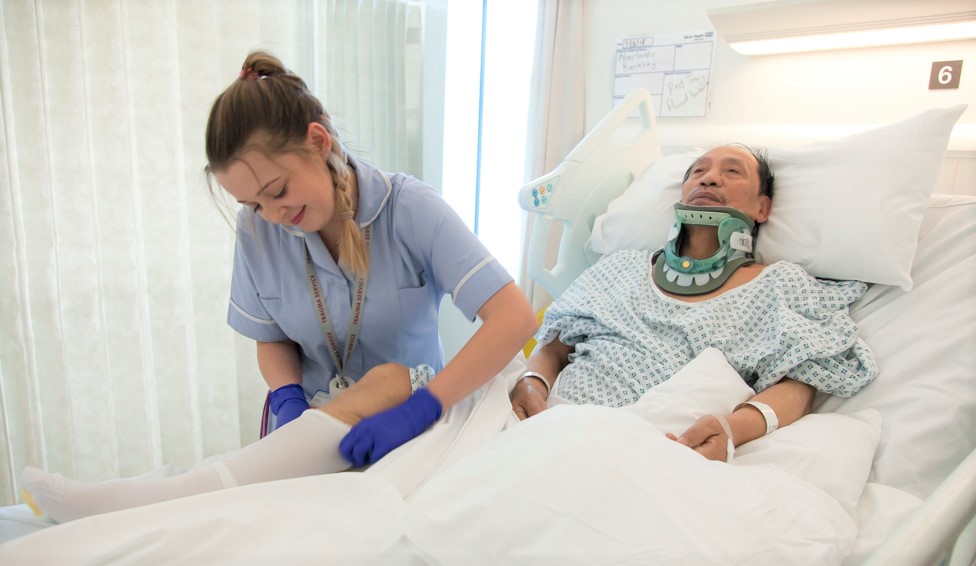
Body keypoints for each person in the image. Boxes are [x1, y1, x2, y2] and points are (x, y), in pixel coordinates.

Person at [20, 51, 536, 523]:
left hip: (402, 418)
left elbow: (514, 317)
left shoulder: (410, 210)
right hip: (305, 429)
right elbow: (271, 338)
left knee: (390, 378)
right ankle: (155, 497)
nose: (273, 216)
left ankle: (138, 500)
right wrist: (287, 399)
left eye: (277, 191)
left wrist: (422, 409)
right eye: (254, 205)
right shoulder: (259, 231)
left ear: (318, 142)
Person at [510, 144, 878, 462]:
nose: (709, 178)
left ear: (763, 208)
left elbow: (800, 385)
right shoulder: (620, 266)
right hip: (547, 424)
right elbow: (554, 349)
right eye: (698, 171)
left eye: (732, 172)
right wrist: (530, 381)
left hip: (652, 447)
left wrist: (732, 428)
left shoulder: (778, 286)